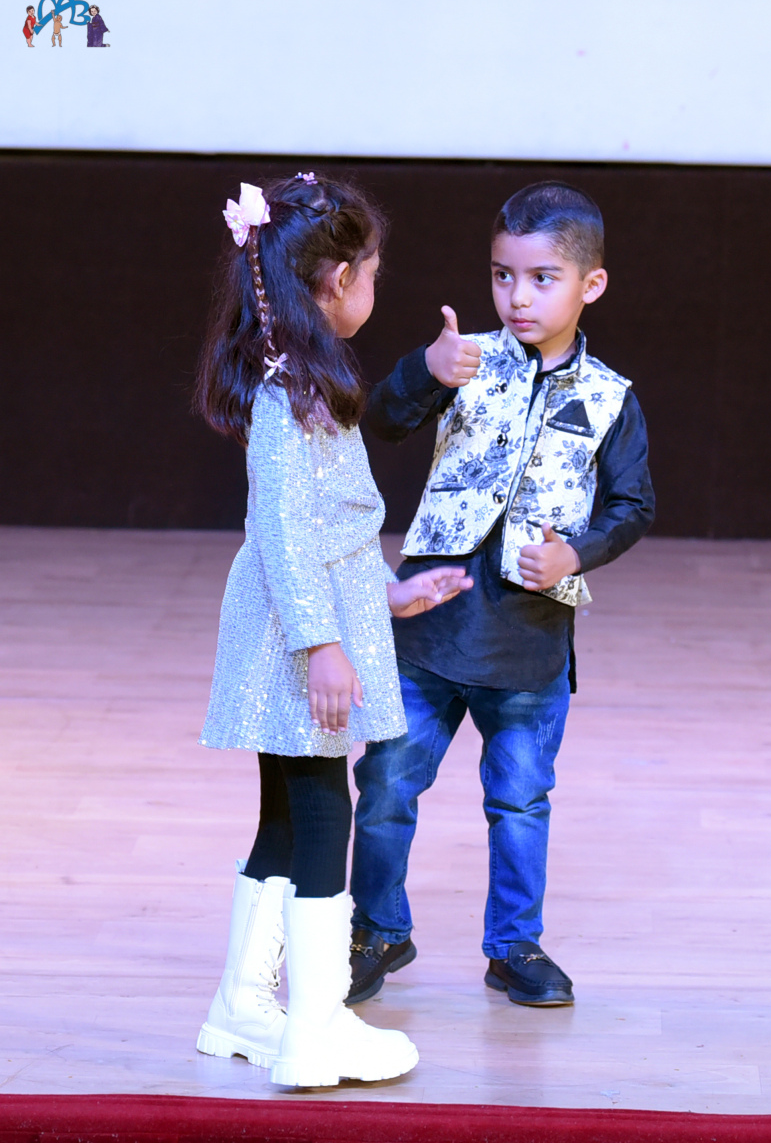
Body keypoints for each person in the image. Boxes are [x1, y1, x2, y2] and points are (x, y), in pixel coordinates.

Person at [348, 181, 655, 1009]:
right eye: (501, 275)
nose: (517, 297)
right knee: (386, 786)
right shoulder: (465, 359)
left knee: (519, 800)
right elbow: (381, 420)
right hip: (429, 625)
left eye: (541, 278)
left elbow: (632, 506)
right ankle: (376, 929)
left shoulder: (611, 397)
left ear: (590, 284)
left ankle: (513, 946)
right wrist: (423, 370)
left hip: (526, 637)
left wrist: (575, 556)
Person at [193, 173, 471, 1087]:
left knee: (284, 813)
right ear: (338, 279)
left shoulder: (303, 382)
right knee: (321, 809)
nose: (374, 289)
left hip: (309, 616)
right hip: (296, 634)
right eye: (374, 274)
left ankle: (242, 1007)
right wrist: (322, 643)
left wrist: (387, 594)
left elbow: (325, 525)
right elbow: (282, 529)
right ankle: (313, 1026)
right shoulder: (289, 395)